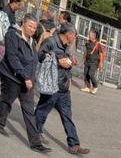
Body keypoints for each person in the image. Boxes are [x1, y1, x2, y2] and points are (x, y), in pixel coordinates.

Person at [34, 23, 89, 155]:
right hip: (52, 86)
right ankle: (35, 133)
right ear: (69, 34)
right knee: (42, 111)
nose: (74, 38)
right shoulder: (51, 42)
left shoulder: (65, 46)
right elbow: (40, 57)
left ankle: (74, 144)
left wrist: (70, 64)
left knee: (67, 116)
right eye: (74, 36)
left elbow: (64, 63)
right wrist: (58, 62)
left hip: (63, 88)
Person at [0, 14, 43, 150]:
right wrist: (25, 76)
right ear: (23, 24)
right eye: (30, 26)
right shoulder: (12, 35)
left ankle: (36, 143)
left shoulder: (31, 40)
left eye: (35, 27)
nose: (33, 30)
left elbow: (32, 60)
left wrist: (31, 78)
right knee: (6, 100)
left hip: (27, 80)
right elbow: (12, 57)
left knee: (29, 110)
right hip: (12, 76)